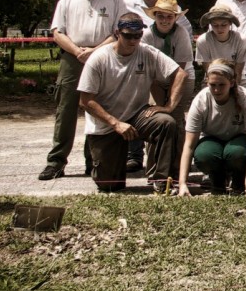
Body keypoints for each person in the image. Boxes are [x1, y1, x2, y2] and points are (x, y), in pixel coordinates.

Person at [40, 0, 126, 181]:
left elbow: (118, 32)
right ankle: (56, 161)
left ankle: (95, 160)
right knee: (66, 109)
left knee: (100, 107)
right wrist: (77, 51)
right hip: (72, 56)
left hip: (104, 55)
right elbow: (57, 32)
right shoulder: (68, 0)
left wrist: (95, 51)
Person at [76, 14, 185, 193]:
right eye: (128, 35)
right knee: (110, 185)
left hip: (137, 115)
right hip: (106, 123)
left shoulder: (147, 52)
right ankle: (101, 163)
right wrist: (115, 123)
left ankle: (161, 179)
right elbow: (85, 101)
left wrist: (169, 106)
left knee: (166, 122)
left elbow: (180, 73)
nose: (133, 40)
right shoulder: (99, 59)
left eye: (138, 35)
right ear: (118, 33)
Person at [177, 60, 246, 196]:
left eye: (222, 85)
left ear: (232, 83)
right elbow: (188, 145)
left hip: (238, 141)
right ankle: (217, 179)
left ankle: (239, 179)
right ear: (207, 83)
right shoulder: (200, 100)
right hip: (212, 140)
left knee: (236, 154)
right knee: (204, 155)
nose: (216, 90)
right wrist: (182, 183)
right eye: (213, 85)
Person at [135, 0, 194, 174]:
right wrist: (161, 102)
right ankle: (155, 166)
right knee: (156, 119)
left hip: (181, 77)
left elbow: (180, 70)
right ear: (155, 16)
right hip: (154, 80)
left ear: (175, 17)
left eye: (170, 16)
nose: (165, 20)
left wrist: (170, 102)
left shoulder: (181, 33)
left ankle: (178, 167)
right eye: (161, 16)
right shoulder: (147, 35)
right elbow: (148, 69)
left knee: (176, 119)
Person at [195, 5, 246, 87]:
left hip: (238, 80)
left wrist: (233, 88)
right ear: (210, 25)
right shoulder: (203, 41)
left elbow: (238, 70)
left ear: (230, 23)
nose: (219, 29)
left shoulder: (241, 40)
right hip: (212, 80)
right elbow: (208, 70)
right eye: (215, 25)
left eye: (224, 25)